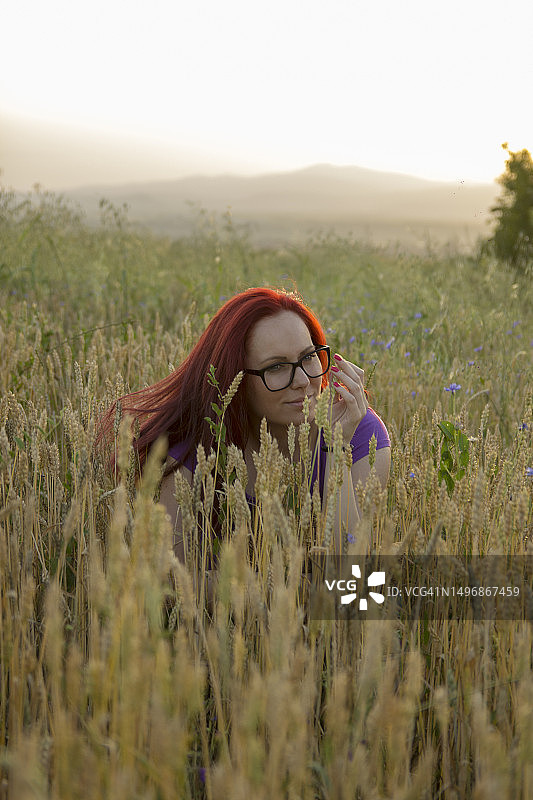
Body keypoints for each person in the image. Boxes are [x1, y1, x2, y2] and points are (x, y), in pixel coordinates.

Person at [98, 287, 391, 558]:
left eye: (308, 357)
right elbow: (172, 582)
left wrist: (337, 450)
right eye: (276, 367)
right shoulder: (189, 454)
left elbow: (350, 579)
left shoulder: (364, 437)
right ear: (234, 380)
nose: (303, 381)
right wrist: (265, 593)